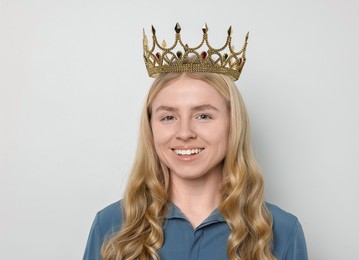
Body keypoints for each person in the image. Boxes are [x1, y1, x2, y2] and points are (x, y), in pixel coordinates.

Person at [83, 23, 308, 260]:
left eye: (203, 116)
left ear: (233, 125)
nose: (184, 132)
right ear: (151, 128)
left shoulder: (281, 231)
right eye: (168, 117)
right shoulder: (112, 226)